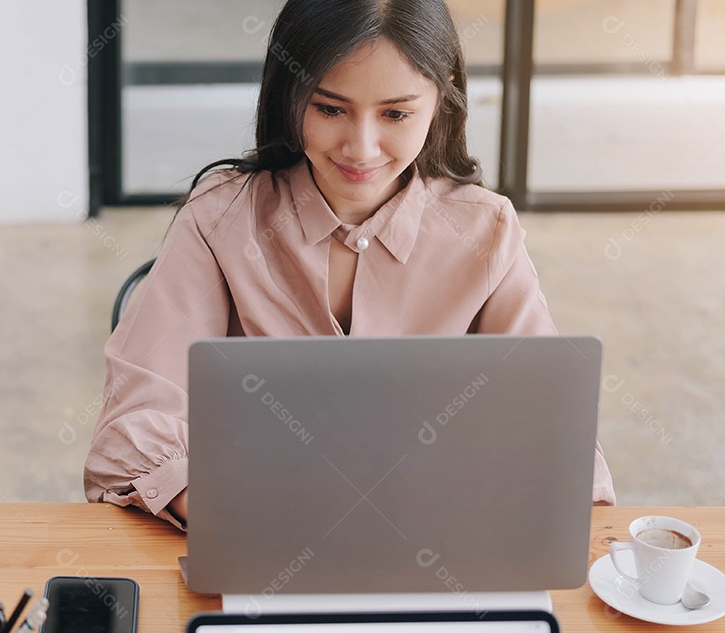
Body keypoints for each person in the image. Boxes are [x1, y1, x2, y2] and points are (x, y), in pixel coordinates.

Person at [84, 0, 616, 531]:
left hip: (433, 533)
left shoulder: (487, 232)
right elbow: (134, 419)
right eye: (330, 109)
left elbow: (551, 424)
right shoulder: (219, 218)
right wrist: (240, 521)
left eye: (396, 114)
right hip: (255, 524)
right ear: (290, 95)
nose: (360, 149)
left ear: (442, 96)